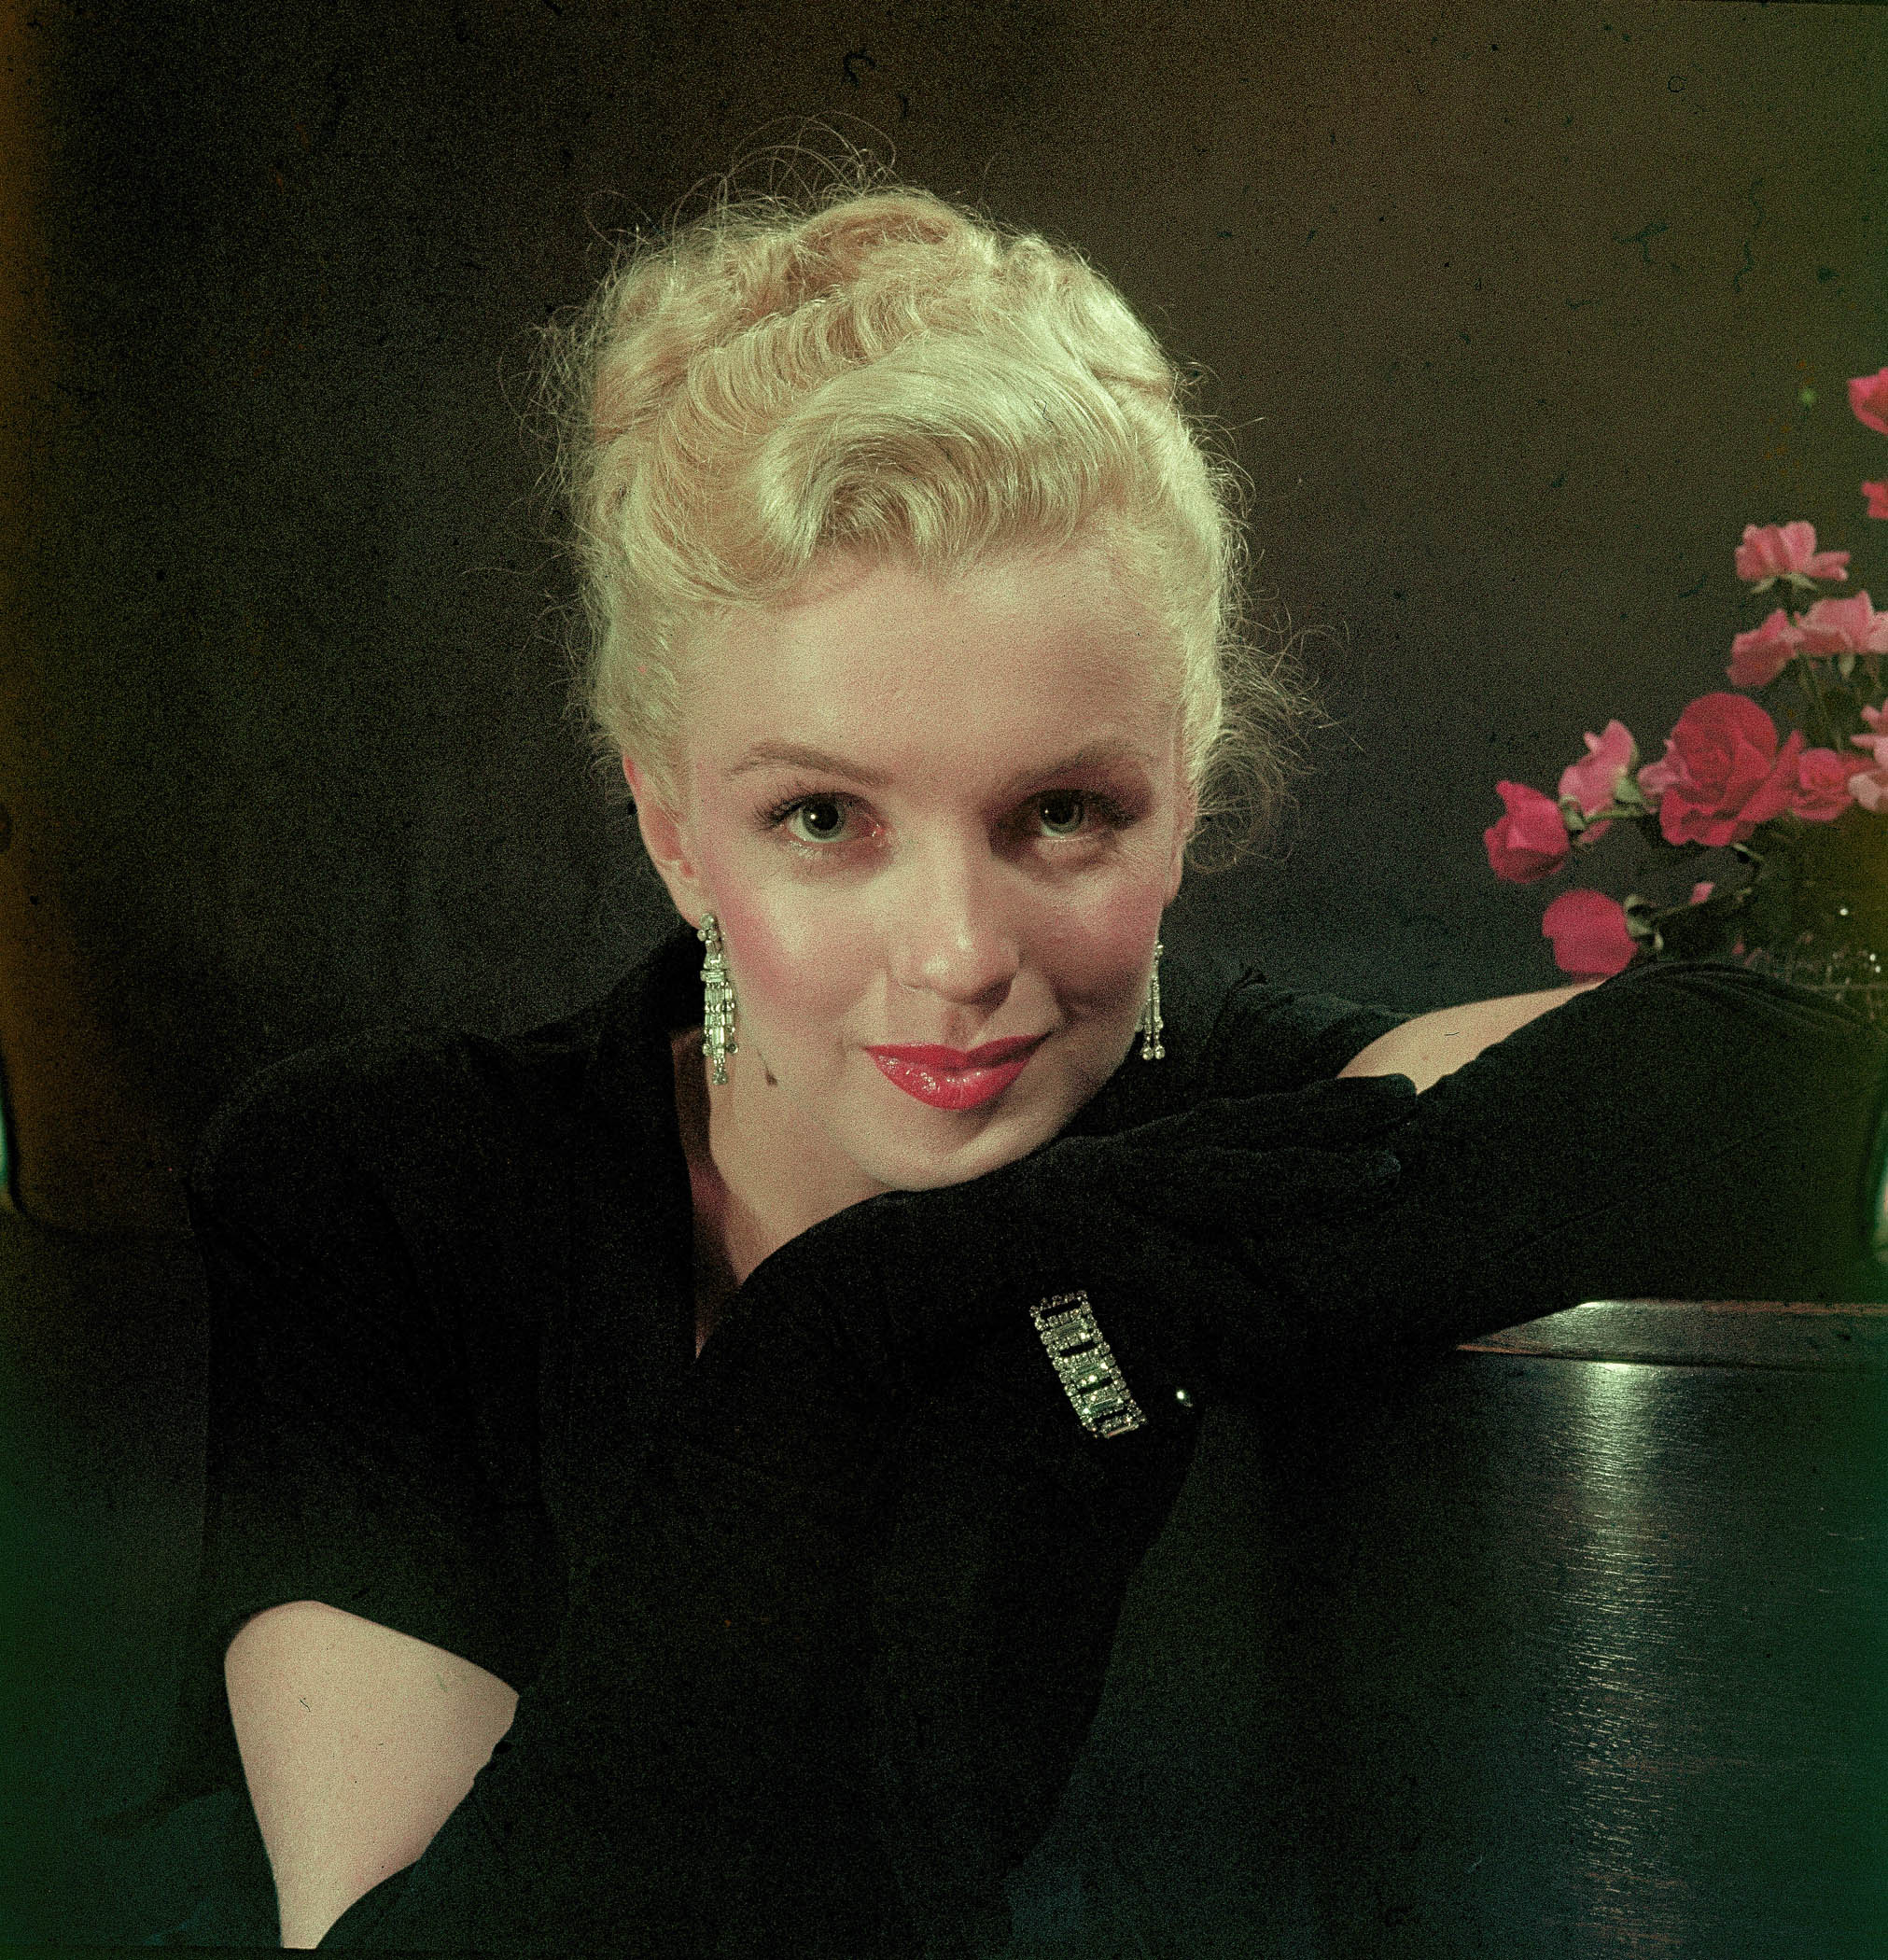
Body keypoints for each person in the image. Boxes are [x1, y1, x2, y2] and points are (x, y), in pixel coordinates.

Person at [119, 167, 1888, 1955]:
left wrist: (1026, 1311)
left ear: (1184, 796)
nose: (962, 956)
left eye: (1062, 814)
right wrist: (829, 1356)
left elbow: (1786, 1078)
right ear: (670, 827)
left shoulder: (1245, 1119)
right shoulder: (392, 1185)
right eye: (824, 818)